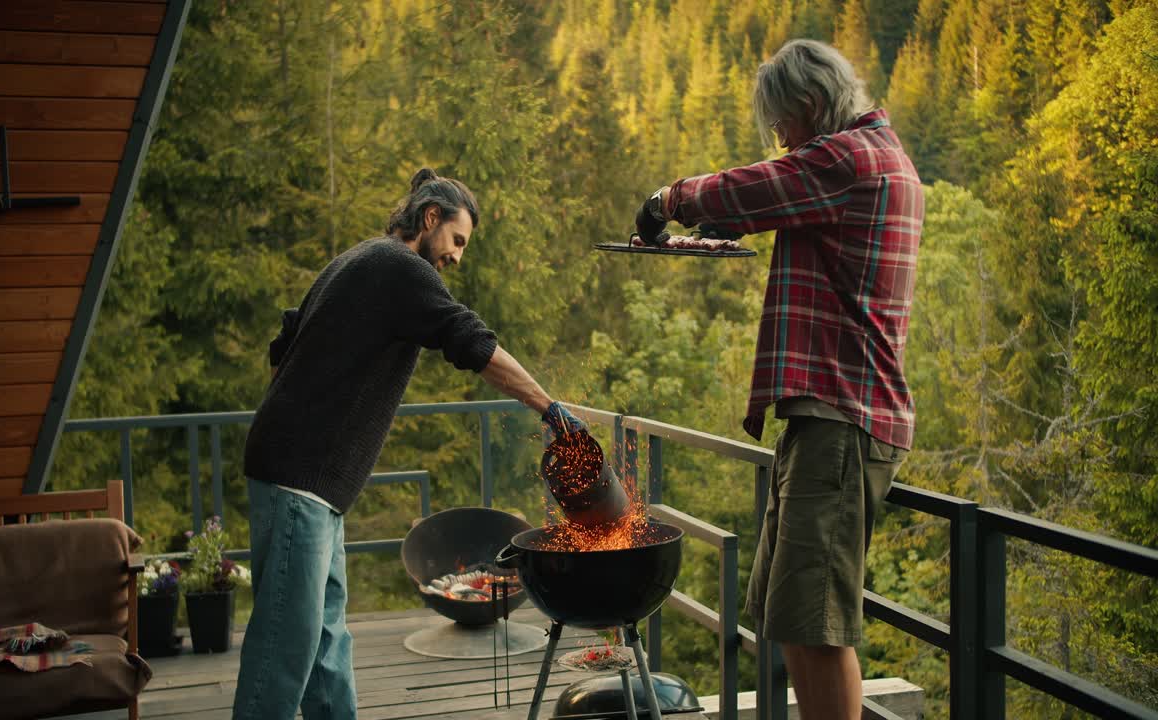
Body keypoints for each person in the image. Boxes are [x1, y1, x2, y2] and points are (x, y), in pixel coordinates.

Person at [633, 39, 922, 720]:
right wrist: (701, 223)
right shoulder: (860, 160)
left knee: (815, 626)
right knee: (791, 612)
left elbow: (752, 187)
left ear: (813, 107)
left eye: (781, 126)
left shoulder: (850, 157)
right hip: (826, 416)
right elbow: (766, 202)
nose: (779, 141)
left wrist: (667, 200)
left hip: (842, 420)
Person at [233, 168, 586, 720]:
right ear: (429, 219)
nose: (457, 257)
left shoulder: (359, 259)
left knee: (325, 641)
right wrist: (549, 407)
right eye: (457, 240)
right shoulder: (398, 267)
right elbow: (471, 341)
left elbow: (285, 342)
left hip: (311, 485)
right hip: (298, 479)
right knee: (287, 645)